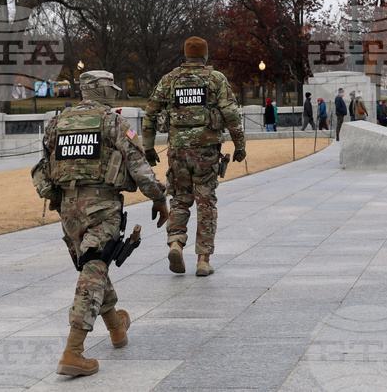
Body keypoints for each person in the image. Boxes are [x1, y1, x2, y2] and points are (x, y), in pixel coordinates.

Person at [31, 70, 169, 377]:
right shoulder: (112, 121)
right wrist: (159, 198)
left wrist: (58, 200)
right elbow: (139, 167)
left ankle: (117, 329)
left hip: (68, 208)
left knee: (94, 265)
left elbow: (43, 166)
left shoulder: (57, 122)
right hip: (103, 205)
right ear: (104, 90)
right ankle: (73, 351)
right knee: (94, 270)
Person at [142, 37, 245, 276]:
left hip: (177, 151)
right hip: (207, 152)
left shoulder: (169, 80)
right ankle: (203, 260)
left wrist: (148, 148)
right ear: (205, 56)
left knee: (179, 199)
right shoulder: (215, 79)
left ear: (186, 56)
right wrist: (240, 145)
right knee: (206, 202)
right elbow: (230, 113)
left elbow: (149, 113)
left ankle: (176, 243)